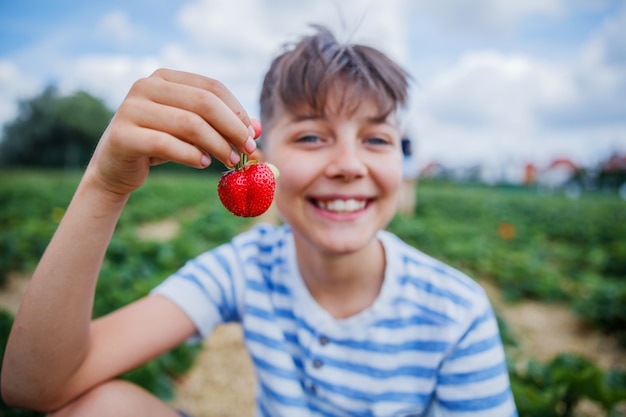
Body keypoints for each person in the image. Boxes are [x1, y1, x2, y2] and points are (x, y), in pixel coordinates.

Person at [1, 26, 517, 417]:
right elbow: (37, 386)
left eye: (376, 138)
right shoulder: (248, 267)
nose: (348, 164)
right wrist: (105, 184)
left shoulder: (456, 312)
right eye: (312, 136)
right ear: (259, 148)